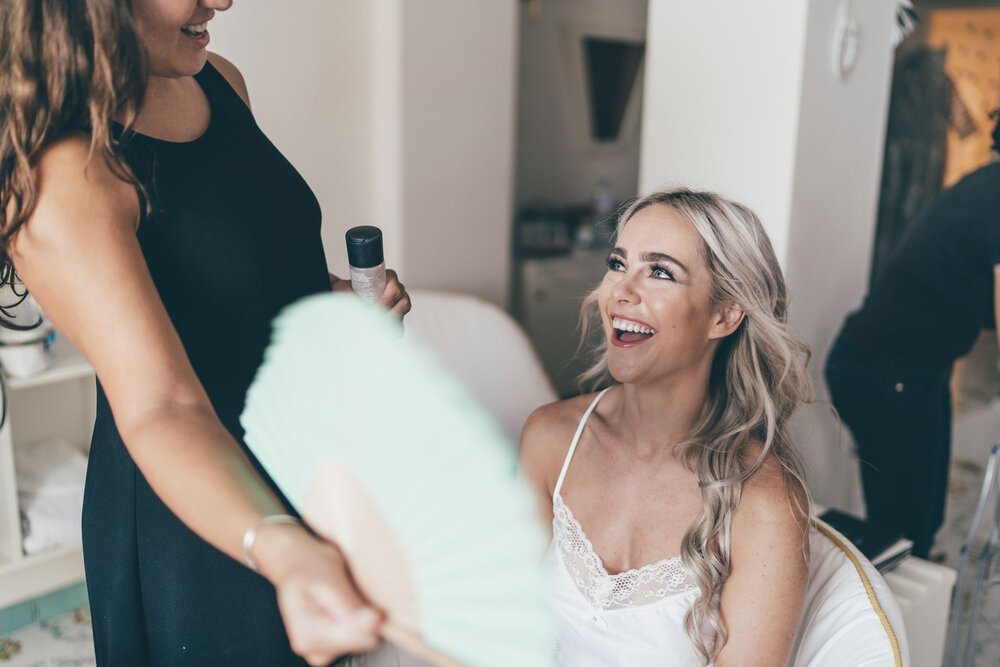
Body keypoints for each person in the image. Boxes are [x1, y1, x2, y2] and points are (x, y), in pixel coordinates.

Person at [0, 1, 411, 664]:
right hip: (202, 513)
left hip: (300, 467)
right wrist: (283, 546)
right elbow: (164, 406)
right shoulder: (63, 173)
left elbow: (244, 273)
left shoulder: (218, 81)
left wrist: (333, 300)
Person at [520, 188, 813, 666]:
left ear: (724, 314)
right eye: (618, 263)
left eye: (659, 272)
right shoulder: (550, 438)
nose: (621, 290)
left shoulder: (764, 504)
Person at [825, 113, 1000, 560]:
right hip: (883, 373)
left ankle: (912, 583)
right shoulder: (994, 196)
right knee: (904, 529)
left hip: (910, 371)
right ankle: (890, 613)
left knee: (918, 522)